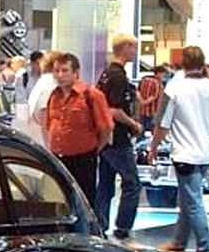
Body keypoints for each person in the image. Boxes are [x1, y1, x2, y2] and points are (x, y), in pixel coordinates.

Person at [148, 45, 209, 252]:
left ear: (182, 63)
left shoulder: (174, 88)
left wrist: (153, 147)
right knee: (187, 200)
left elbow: (162, 123)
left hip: (186, 153)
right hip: (207, 153)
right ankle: (178, 244)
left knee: (193, 203)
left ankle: (205, 250)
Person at [45, 52, 113, 206]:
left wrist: (94, 149)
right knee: (62, 201)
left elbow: (106, 127)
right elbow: (49, 124)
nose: (60, 75)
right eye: (56, 71)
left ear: (76, 73)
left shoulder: (91, 94)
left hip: (83, 159)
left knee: (84, 201)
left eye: (64, 70)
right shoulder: (53, 96)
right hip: (59, 158)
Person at [95, 34, 144, 241]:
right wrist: (134, 124)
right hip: (118, 139)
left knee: (105, 185)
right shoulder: (118, 77)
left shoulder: (106, 74)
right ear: (124, 48)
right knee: (132, 183)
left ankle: (100, 224)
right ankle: (123, 227)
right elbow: (114, 110)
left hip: (106, 139)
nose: (134, 51)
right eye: (133, 47)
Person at [27, 50, 61, 147]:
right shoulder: (52, 85)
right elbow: (44, 114)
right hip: (46, 140)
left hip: (37, 135)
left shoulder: (43, 82)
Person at [12, 51, 43, 134]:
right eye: (37, 63)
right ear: (32, 63)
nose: (40, 66)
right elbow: (20, 100)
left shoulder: (46, 79)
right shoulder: (23, 78)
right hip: (27, 118)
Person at [137, 64, 165, 132]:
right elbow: (154, 96)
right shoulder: (158, 83)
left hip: (142, 111)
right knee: (151, 132)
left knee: (141, 131)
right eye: (163, 74)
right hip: (153, 111)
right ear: (159, 73)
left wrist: (141, 101)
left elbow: (137, 91)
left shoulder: (143, 79)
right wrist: (145, 102)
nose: (163, 76)